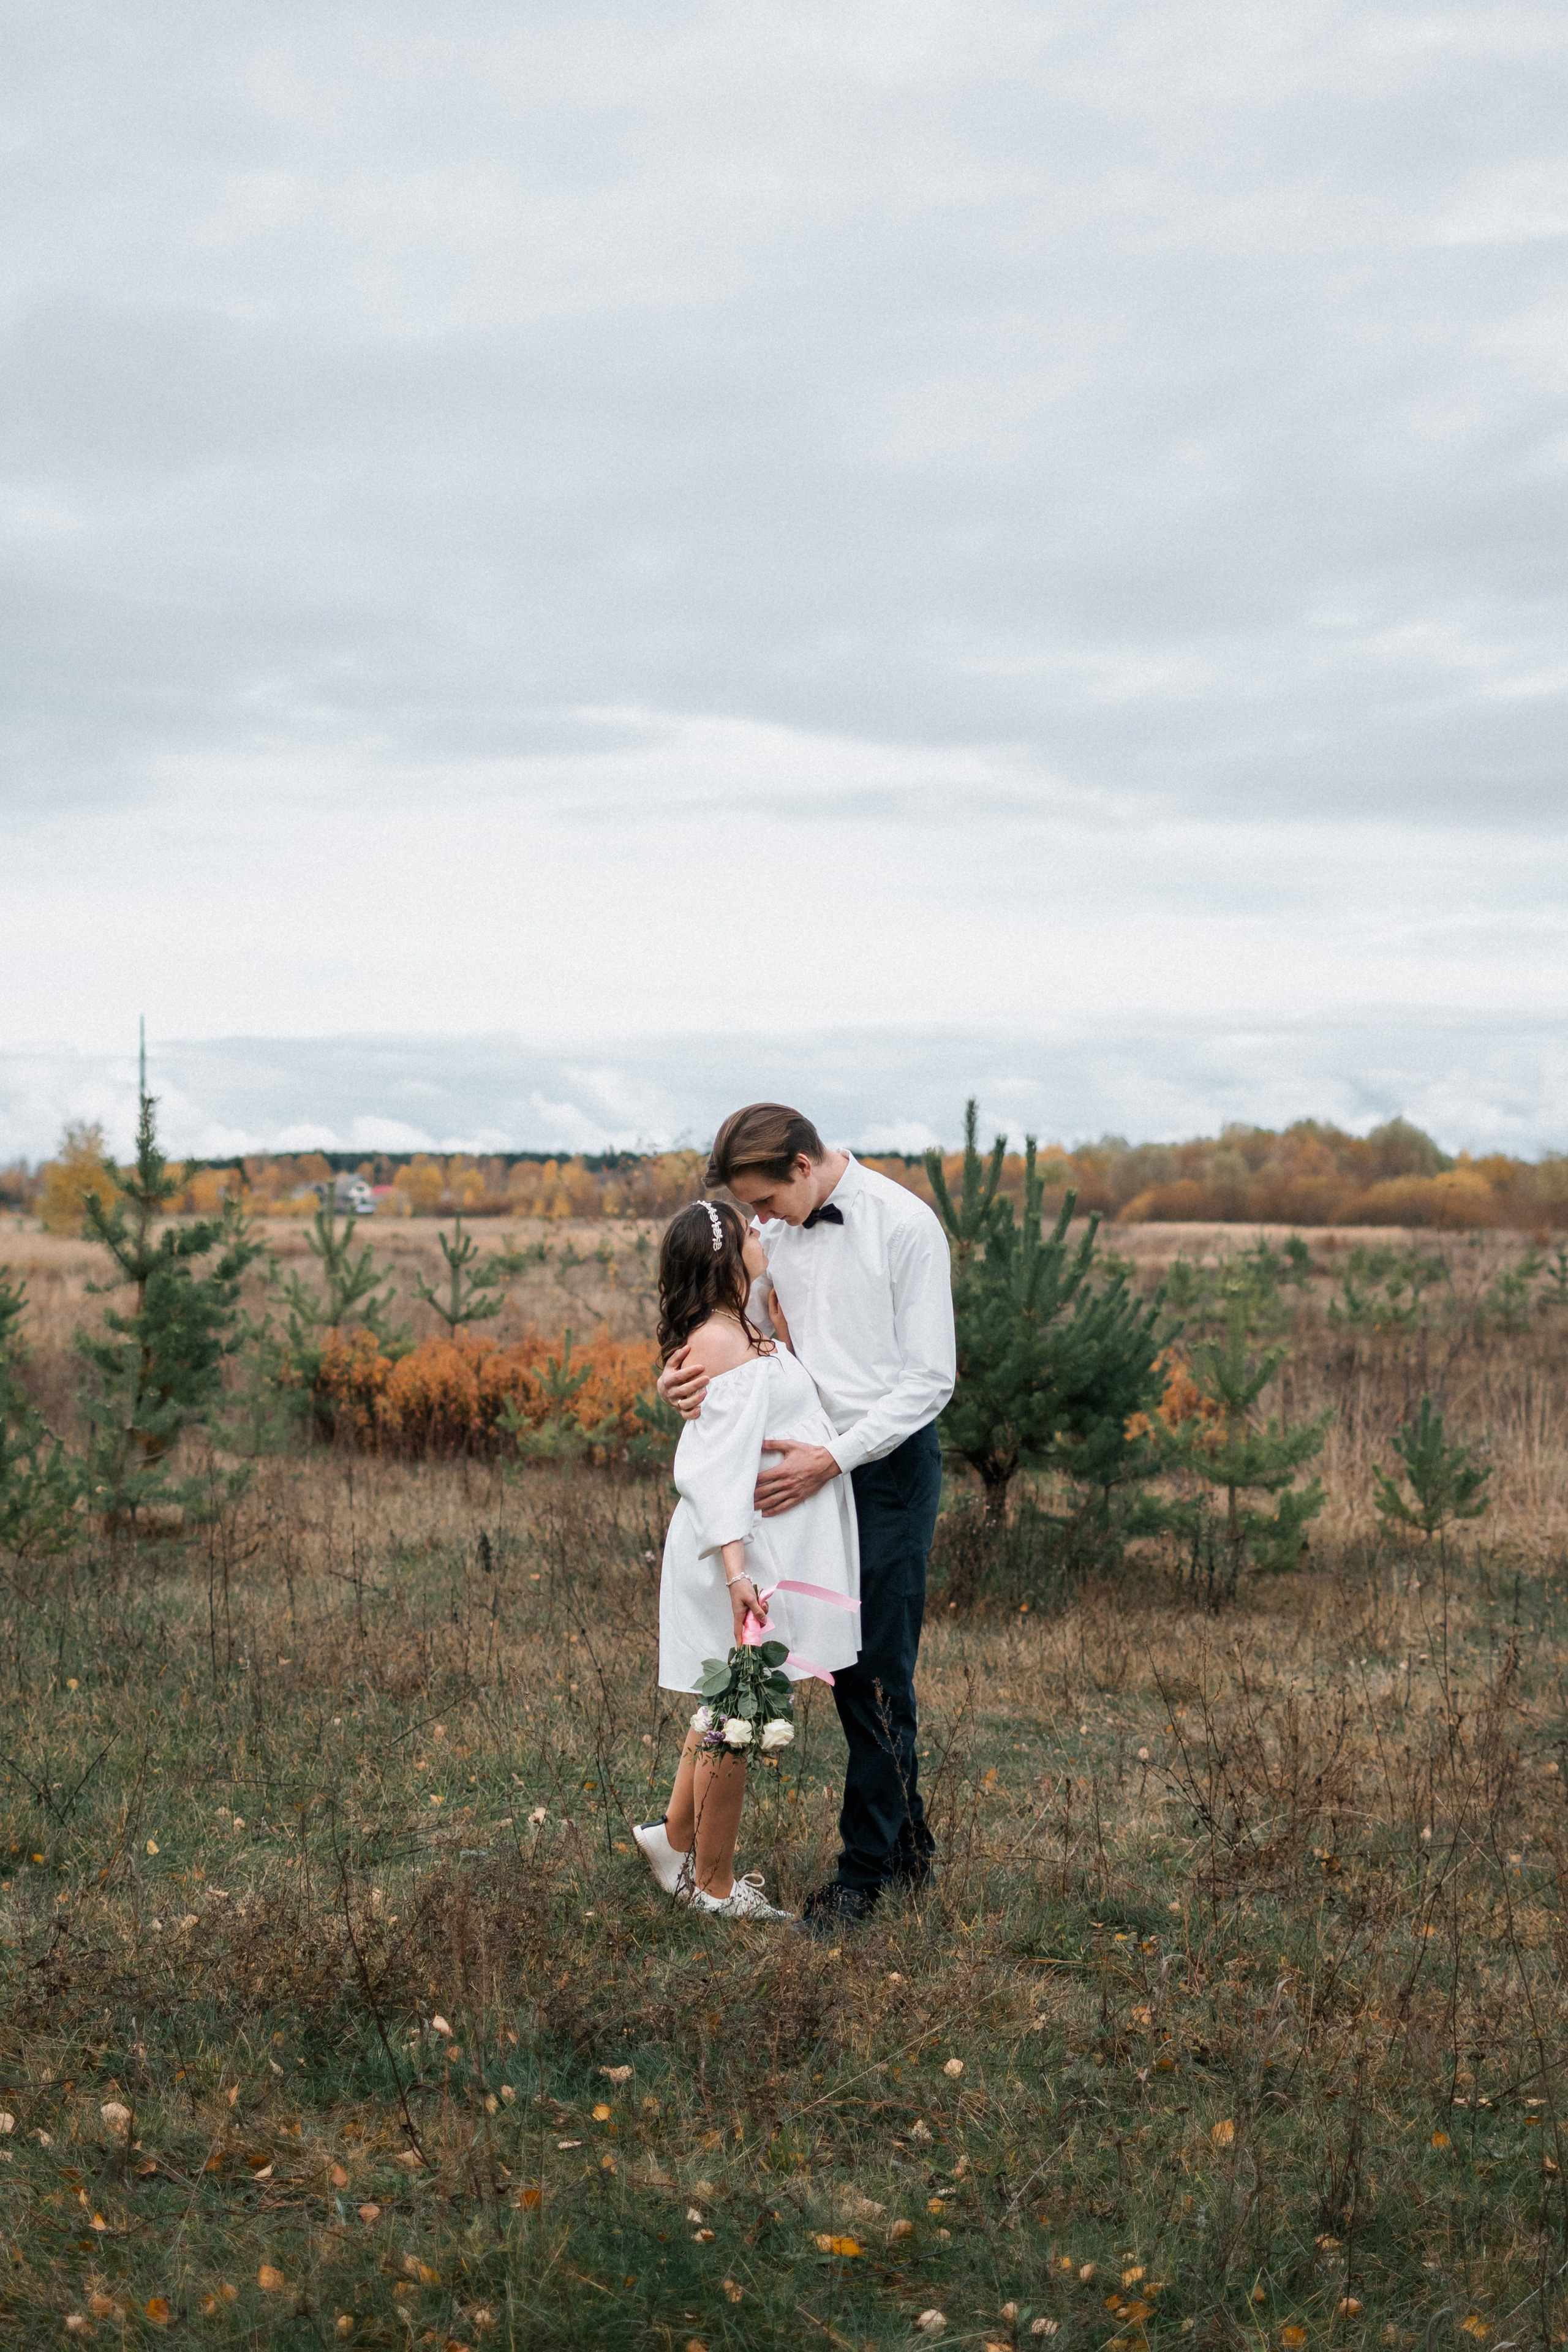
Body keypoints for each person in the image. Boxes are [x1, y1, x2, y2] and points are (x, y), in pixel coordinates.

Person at [660, 1104, 955, 1929]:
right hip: (800, 1477)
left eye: (762, 1201)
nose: (757, 1222)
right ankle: (907, 1847)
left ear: (801, 1165)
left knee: (876, 1671)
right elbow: (740, 1340)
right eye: (748, 1211)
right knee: (815, 1664)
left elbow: (930, 1381)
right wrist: (677, 1380)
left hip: (883, 1468)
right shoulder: (776, 1233)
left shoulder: (904, 1226)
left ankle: (865, 1874)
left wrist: (835, 1456)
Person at [634, 1196, 861, 1924]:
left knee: (725, 1702)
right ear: (725, 1255)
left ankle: (671, 1841)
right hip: (735, 1549)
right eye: (748, 1229)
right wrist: (737, 1573)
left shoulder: (744, 1322)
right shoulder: (719, 1342)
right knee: (739, 1710)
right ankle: (717, 1884)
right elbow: (712, 1470)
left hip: (758, 1543)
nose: (762, 1233)